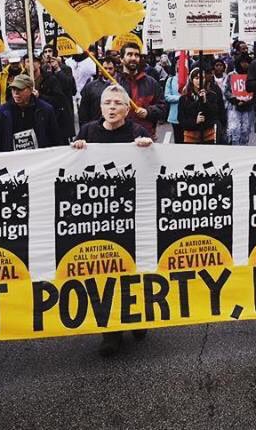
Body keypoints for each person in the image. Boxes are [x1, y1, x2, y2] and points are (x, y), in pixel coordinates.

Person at [71, 84, 152, 356]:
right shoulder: (88, 132)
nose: (113, 107)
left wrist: (148, 149)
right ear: (100, 107)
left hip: (132, 212)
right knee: (104, 272)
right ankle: (111, 331)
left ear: (128, 109)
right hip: (99, 215)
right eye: (108, 103)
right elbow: (73, 171)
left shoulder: (138, 132)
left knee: (133, 268)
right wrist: (76, 150)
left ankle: (138, 316)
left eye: (118, 103)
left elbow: (153, 169)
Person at [0, 74, 62, 151]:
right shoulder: (2, 111)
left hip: (39, 159)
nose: (16, 93)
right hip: (12, 160)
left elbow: (55, 139)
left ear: (30, 90)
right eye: (13, 89)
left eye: (20, 89)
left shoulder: (46, 110)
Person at [116, 42, 167, 138]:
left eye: (136, 55)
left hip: (145, 137)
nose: (134, 58)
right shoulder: (114, 84)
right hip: (120, 137)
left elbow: (163, 108)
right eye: (129, 54)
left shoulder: (151, 83)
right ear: (121, 59)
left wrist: (148, 112)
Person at [36, 46, 77, 142]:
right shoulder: (42, 70)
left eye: (50, 51)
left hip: (63, 108)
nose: (48, 54)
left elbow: (70, 86)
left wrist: (58, 69)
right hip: (48, 106)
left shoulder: (65, 68)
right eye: (45, 52)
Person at [178, 67, 220, 144]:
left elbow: (215, 114)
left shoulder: (212, 95)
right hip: (190, 137)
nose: (199, 81)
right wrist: (195, 121)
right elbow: (182, 119)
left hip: (208, 135)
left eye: (202, 78)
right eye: (196, 78)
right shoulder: (184, 98)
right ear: (191, 80)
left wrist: (205, 101)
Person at [224, 53, 255, 146]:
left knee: (246, 130)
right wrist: (235, 100)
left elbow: (255, 90)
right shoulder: (231, 75)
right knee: (234, 129)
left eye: (246, 62)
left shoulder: (252, 75)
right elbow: (226, 91)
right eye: (242, 62)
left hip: (248, 108)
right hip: (234, 107)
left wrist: (248, 101)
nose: (244, 65)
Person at [77, 56, 118, 127]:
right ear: (100, 69)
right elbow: (84, 110)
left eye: (110, 69)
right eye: (105, 68)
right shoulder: (90, 86)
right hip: (96, 125)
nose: (107, 71)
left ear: (115, 69)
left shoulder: (121, 84)